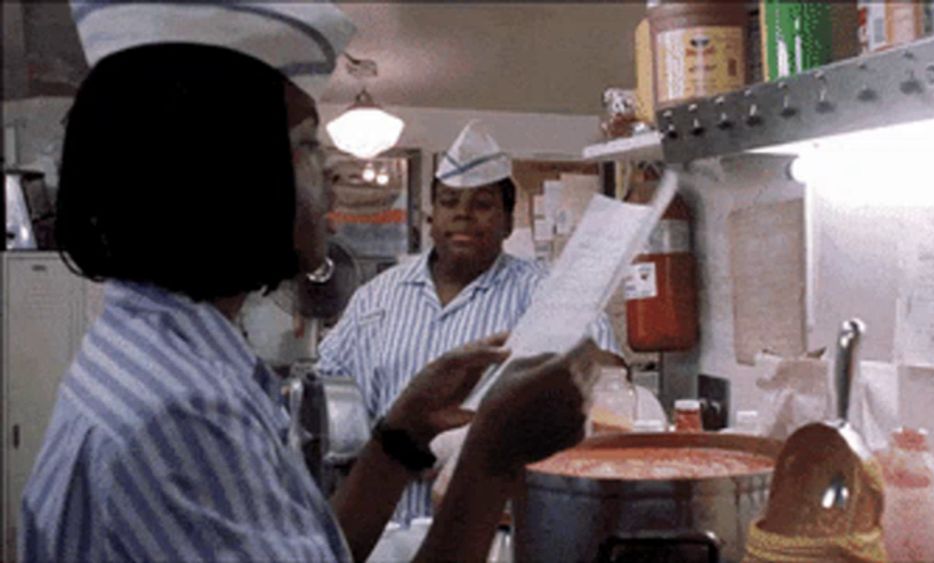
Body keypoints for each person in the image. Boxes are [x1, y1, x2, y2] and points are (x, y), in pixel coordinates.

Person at [20, 3, 600, 562]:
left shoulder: (185, 357)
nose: (328, 171)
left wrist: (401, 432)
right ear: (223, 170)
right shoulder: (180, 416)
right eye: (303, 146)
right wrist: (492, 459)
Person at [317, 119, 623, 523]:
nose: (462, 215)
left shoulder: (550, 294)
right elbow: (326, 397)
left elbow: (610, 383)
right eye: (449, 202)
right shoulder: (376, 298)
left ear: (507, 220)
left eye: (481, 204)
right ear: (432, 218)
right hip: (383, 528)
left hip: (497, 525)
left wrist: (477, 439)